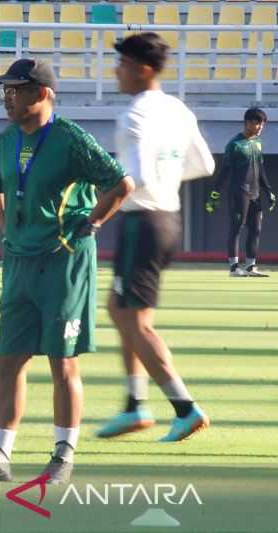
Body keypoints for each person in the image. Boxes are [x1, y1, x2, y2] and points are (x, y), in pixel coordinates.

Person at [0, 59, 135, 485]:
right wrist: (8, 233)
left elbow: (121, 183)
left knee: (61, 362)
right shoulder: (6, 140)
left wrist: (96, 222)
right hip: (19, 263)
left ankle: (63, 456)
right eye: (5, 91)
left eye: (15, 89)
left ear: (43, 93)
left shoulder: (71, 139)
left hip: (64, 261)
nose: (7, 98)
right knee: (8, 361)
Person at [96, 33, 215, 443]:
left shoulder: (134, 115)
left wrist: (96, 208)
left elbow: (137, 177)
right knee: (117, 308)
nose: (117, 71)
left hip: (141, 222)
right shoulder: (177, 109)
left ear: (142, 69)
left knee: (136, 321)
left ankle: (184, 407)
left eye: (123, 64)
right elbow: (204, 164)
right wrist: (164, 180)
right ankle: (134, 404)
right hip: (167, 219)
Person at [206, 107, 275, 277]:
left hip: (256, 194)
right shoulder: (234, 145)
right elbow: (224, 171)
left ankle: (251, 267)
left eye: (262, 124)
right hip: (239, 193)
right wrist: (215, 192)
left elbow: (260, 171)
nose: (260, 127)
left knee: (256, 229)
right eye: (257, 123)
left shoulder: (257, 143)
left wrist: (269, 191)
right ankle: (234, 268)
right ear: (248, 123)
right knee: (236, 228)